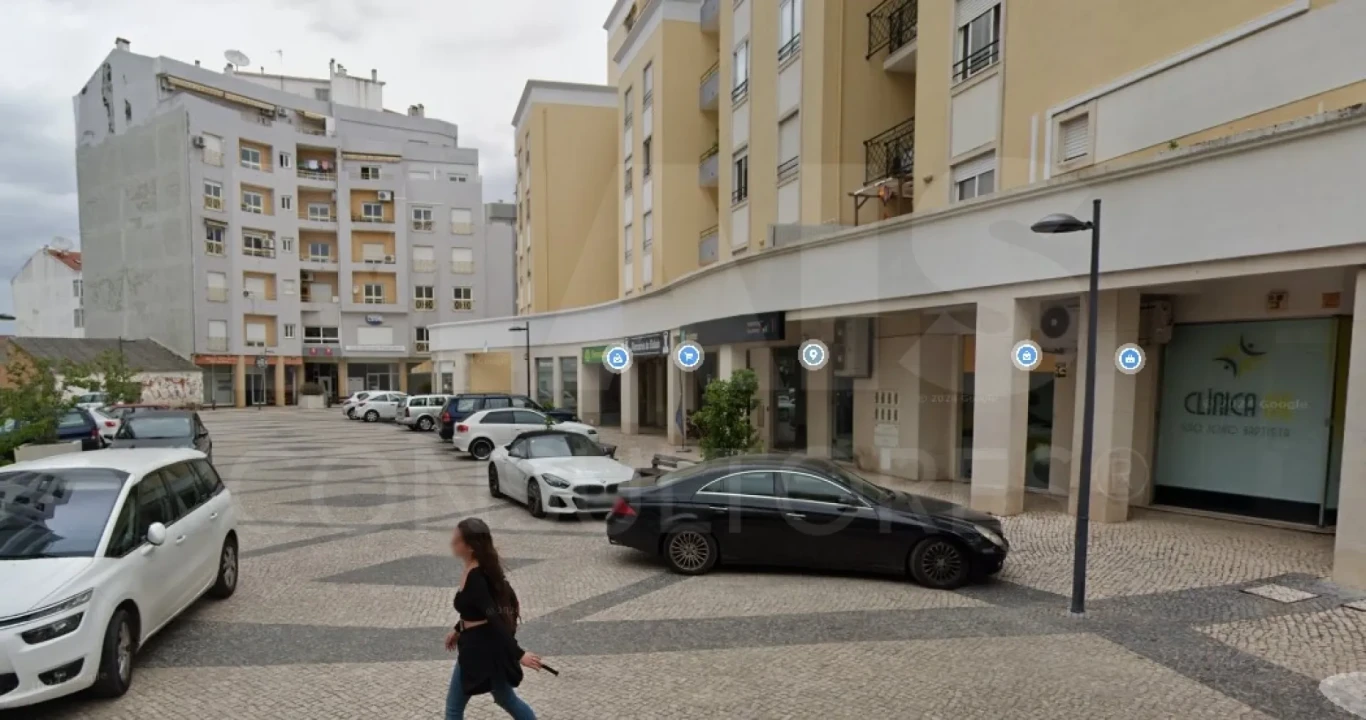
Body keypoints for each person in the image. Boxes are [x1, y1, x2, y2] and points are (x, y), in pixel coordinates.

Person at [445, 517, 544, 720]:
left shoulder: (476, 578)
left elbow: (494, 619)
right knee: (505, 698)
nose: (452, 543)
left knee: (454, 708)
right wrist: (458, 629)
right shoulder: (477, 570)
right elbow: (475, 609)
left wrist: (518, 654)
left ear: (470, 547)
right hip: (488, 647)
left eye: (456, 540)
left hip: (480, 649)